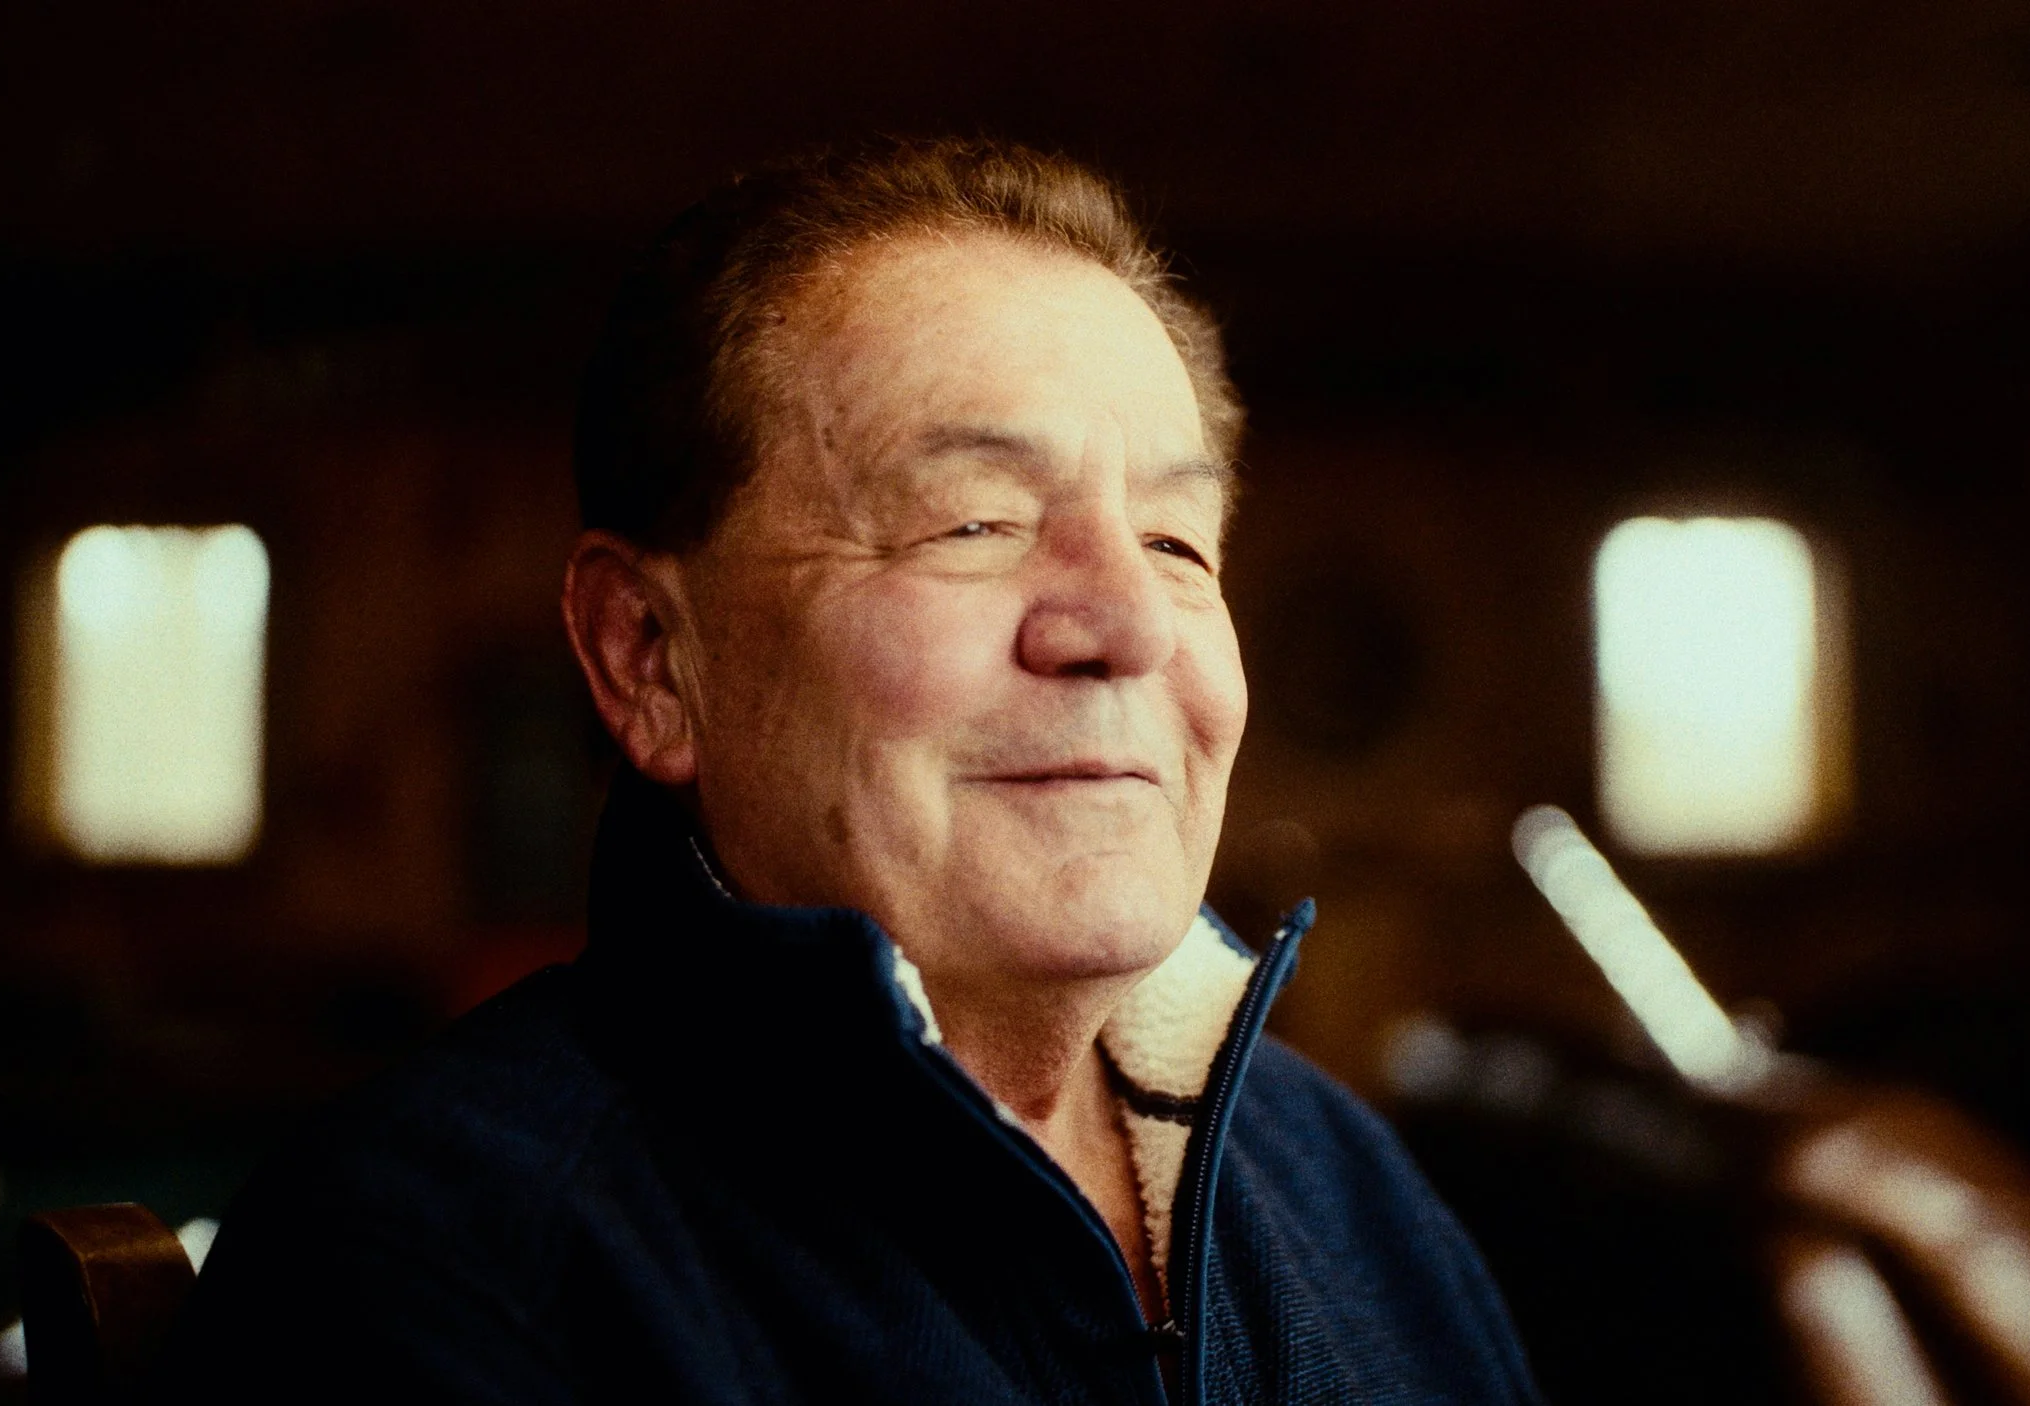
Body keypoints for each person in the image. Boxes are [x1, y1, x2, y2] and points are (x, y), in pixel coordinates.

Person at [156, 138, 1543, 1404]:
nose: (1125, 623)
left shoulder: (1354, 1188)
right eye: (973, 520)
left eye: (1180, 545)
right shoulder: (442, 1269)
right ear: (649, 656)